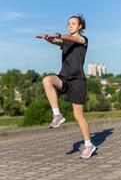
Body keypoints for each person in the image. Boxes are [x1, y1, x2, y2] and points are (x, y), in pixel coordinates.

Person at [35, 15, 96, 159]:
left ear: (80, 26)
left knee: (78, 115)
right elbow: (56, 41)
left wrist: (57, 35)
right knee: (47, 80)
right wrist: (47, 37)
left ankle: (89, 145)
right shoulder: (65, 41)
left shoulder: (83, 40)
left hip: (77, 81)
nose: (70, 25)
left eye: (73, 23)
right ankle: (57, 114)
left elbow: (72, 38)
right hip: (64, 77)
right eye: (69, 23)